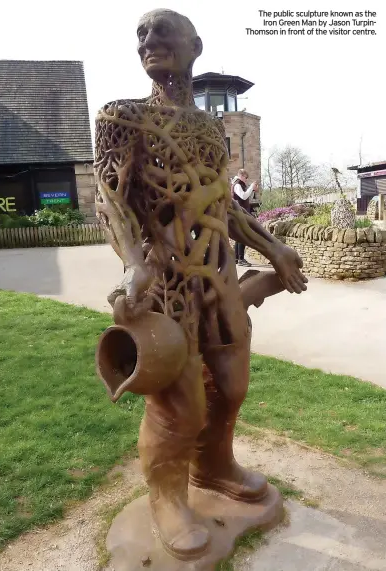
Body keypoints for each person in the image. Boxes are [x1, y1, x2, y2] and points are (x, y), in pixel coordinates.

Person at [94, 8, 307, 560]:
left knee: (231, 384)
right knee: (177, 404)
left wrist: (272, 248)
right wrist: (133, 263)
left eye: (160, 31)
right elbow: (110, 203)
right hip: (166, 285)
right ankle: (167, 495)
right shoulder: (124, 117)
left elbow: (220, 207)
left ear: (195, 46)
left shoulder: (211, 129)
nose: (148, 42)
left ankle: (214, 467)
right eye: (140, 35)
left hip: (218, 278)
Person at [231, 169, 258, 266]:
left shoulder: (238, 184)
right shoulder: (238, 184)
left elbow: (246, 197)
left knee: (239, 236)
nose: (246, 180)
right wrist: (251, 187)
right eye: (246, 178)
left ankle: (237, 258)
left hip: (240, 212)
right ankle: (241, 259)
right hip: (239, 213)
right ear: (242, 175)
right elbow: (243, 196)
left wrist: (252, 189)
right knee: (243, 235)